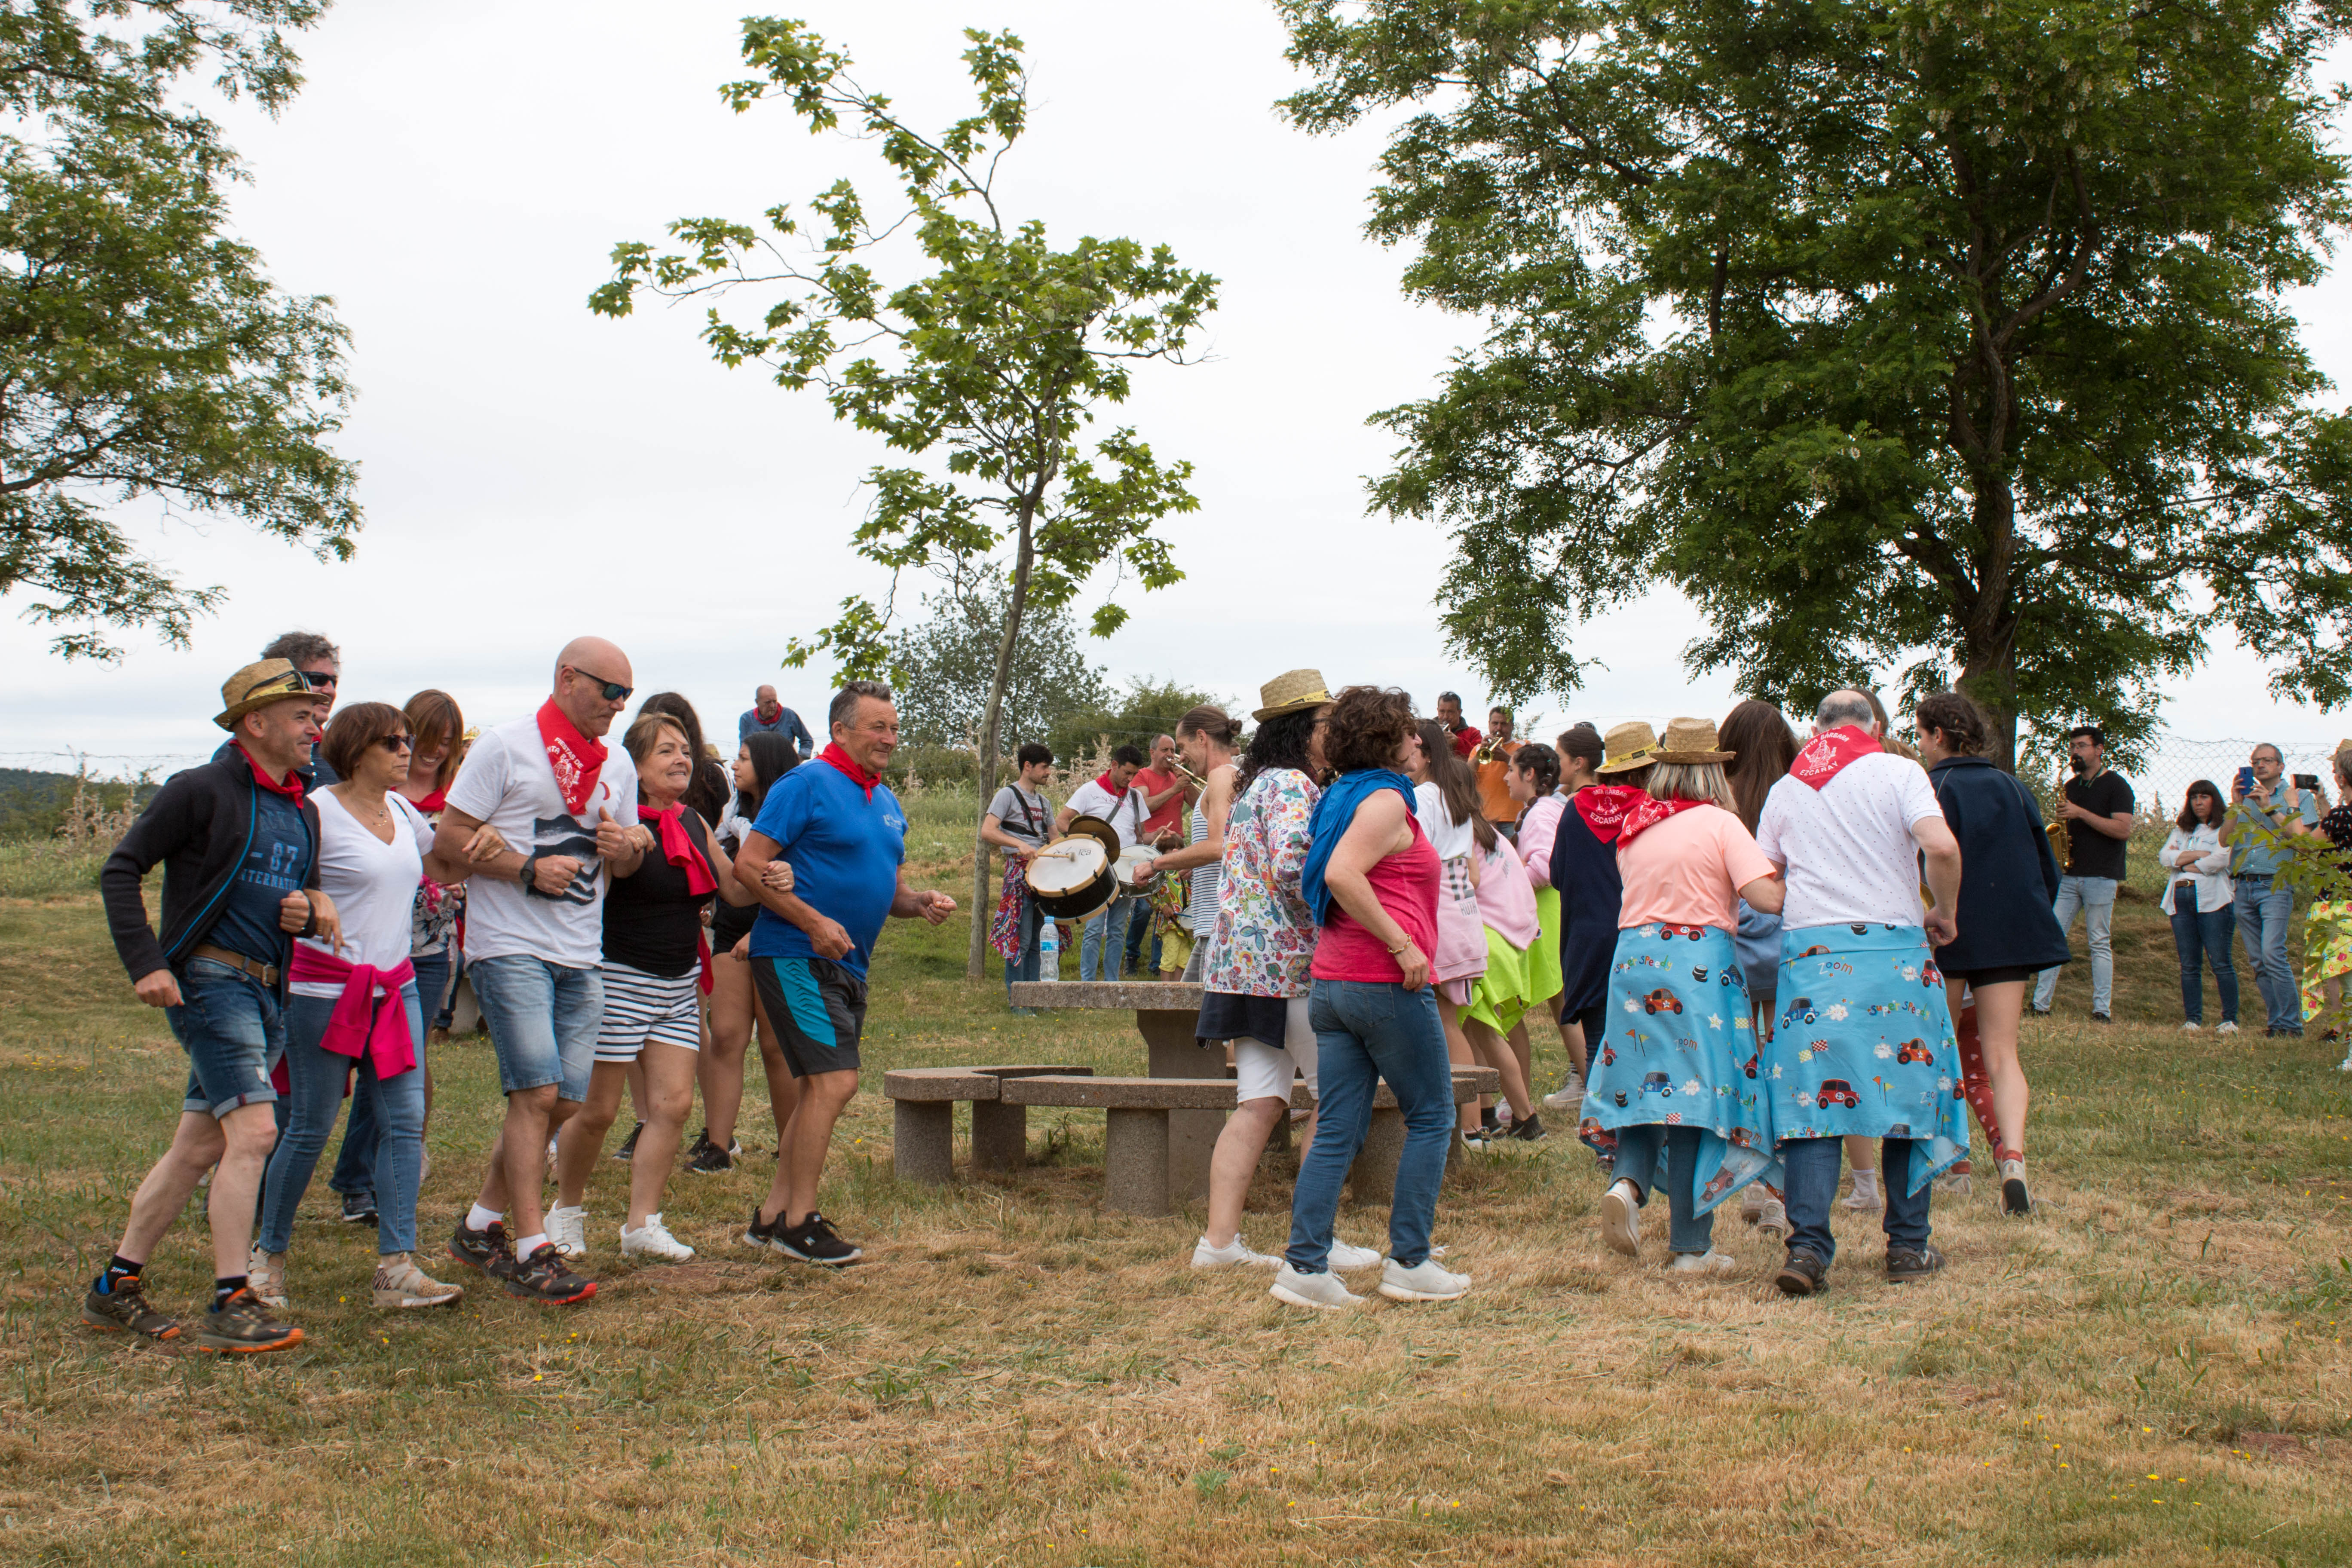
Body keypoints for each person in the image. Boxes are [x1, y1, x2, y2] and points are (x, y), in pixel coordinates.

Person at [88, 659, 337, 1351]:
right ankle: (234, 1300)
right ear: (255, 724)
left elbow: (306, 897)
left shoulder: (302, 807)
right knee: (255, 1135)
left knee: (196, 1148)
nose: (316, 727)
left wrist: (310, 908)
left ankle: (116, 1286)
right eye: (301, 716)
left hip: (267, 992)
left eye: (316, 716)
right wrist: (148, 964)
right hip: (209, 982)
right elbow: (121, 869)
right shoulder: (198, 790)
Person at [254, 702, 505, 1313]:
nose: (406, 751)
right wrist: (310, 898)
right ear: (356, 749)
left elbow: (441, 866)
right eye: (392, 741)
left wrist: (486, 843)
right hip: (324, 991)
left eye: (407, 740)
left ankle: (396, 1267)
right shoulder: (315, 812)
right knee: (310, 1126)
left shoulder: (400, 810)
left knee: (402, 1122)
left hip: (396, 991)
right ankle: (266, 1260)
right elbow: (282, 887)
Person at [437, 637, 649, 1306]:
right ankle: (532, 1248)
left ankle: (479, 1226)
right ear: (566, 678)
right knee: (534, 1094)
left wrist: (626, 849)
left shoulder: (615, 761)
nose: (618, 706)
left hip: (582, 949)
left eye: (627, 695)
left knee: (564, 1101)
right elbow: (447, 843)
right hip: (508, 945)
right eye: (608, 691)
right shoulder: (504, 746)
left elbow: (630, 859)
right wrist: (524, 868)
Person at [733, 680, 957, 1265]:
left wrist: (919, 901)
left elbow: (889, 892)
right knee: (835, 1083)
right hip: (795, 955)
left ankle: (770, 1217)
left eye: (894, 728)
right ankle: (799, 1224)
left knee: (817, 1089)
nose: (890, 738)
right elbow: (750, 865)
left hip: (849, 965)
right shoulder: (805, 784)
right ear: (839, 731)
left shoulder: (885, 801)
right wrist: (810, 922)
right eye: (878, 727)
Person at [1755, 689, 1970, 1296]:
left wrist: (1804, 908)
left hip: (1813, 961)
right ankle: (1907, 1245)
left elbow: (1764, 877)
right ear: (1874, 725)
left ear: (1816, 730)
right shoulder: (1900, 772)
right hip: (1894, 954)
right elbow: (1943, 846)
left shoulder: (1787, 787)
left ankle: (1808, 1250)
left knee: (1813, 1108)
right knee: (1910, 1095)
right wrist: (1944, 911)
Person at [1272, 686, 1471, 1310]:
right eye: (1410, 731)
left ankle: (1305, 1268)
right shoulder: (1385, 801)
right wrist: (1403, 945)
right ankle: (1410, 1261)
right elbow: (1339, 876)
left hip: (1333, 984)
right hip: (1382, 985)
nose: (1421, 740)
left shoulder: (1341, 797)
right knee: (1434, 1116)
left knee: (1336, 1126)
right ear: (1388, 740)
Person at [549, 711, 767, 1262]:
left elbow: (733, 892)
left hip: (679, 983)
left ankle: (641, 1225)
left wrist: (771, 878)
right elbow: (620, 866)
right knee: (596, 1111)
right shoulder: (614, 821)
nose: (682, 759)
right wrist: (627, 843)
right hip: (620, 978)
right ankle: (564, 1213)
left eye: (685, 750)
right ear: (635, 766)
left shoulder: (693, 822)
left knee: (672, 1107)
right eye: (666, 750)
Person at [1578, 718, 1782, 1278]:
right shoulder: (1720, 824)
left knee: (1648, 1087)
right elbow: (1763, 897)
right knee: (1694, 1105)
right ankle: (1692, 1248)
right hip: (1696, 970)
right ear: (1713, 771)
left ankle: (1628, 1182)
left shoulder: (1637, 828)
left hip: (1632, 964)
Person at [1182, 671, 1374, 1269]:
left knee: (1259, 1104)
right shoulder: (1293, 786)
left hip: (1240, 969)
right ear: (1302, 730)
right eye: (1325, 724)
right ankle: (1314, 1239)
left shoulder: (1257, 783)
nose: (1334, 734)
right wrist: (1350, 914)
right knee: (1336, 1102)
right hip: (1289, 969)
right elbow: (1296, 869)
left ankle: (1219, 1244)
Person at [1916, 691, 2072, 1217]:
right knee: (2003, 1056)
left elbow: (1919, 860)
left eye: (1920, 734)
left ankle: (1950, 1165)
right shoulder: (2013, 785)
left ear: (1938, 735)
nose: (1919, 745)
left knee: (1940, 1053)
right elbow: (2046, 866)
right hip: (2009, 933)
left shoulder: (1930, 788)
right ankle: (2014, 1162)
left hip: (1947, 934)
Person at [322, 686, 469, 1231]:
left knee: (397, 1079)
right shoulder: (333, 804)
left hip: (423, 955)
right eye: (405, 741)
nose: (419, 752)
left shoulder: (427, 801)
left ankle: (368, 1189)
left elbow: (447, 863)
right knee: (316, 1102)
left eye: (434, 743)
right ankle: (266, 1209)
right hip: (350, 961)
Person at [696, 731, 802, 1167]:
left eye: (743, 759)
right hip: (728, 931)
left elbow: (801, 883)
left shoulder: (791, 816)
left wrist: (760, 931)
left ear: (768, 764)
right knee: (725, 1037)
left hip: (777, 931)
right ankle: (717, 1146)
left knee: (777, 1046)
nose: (734, 767)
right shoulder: (731, 813)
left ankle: (791, 1146)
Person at [1718, 699, 1801, 1234]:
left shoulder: (1720, 803)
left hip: (1732, 947)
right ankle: (1778, 1190)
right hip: (1787, 945)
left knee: (1742, 1067)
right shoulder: (1798, 795)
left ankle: (1745, 1175)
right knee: (1784, 1067)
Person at [1543, 723, 1650, 1115]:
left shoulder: (1574, 808)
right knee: (1642, 1032)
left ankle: (1602, 1122)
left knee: (1598, 1039)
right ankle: (1640, 1117)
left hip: (1587, 935)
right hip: (1639, 931)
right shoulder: (1647, 808)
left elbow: (1557, 875)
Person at [1404, 720, 1491, 1139]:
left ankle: (1468, 1128)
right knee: (1455, 1024)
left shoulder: (1421, 796)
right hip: (1465, 919)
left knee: (1446, 1026)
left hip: (1440, 921)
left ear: (1423, 753)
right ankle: (1472, 1124)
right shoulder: (1452, 795)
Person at [2029, 725, 2136, 1023]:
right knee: (2054, 936)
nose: (2075, 752)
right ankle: (2040, 1005)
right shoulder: (2072, 786)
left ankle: (2102, 1009)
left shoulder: (2117, 786)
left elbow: (2123, 830)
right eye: (2073, 747)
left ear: (2099, 749)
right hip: (2071, 874)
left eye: (2082, 746)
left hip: (2102, 875)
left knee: (2098, 941)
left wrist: (2081, 814)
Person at [1139, 707, 1244, 983]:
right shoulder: (1224, 779)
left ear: (1202, 738)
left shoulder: (1221, 776)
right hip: (1213, 927)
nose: (1180, 756)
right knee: (1185, 1019)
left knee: (1190, 1021)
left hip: (1218, 927)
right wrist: (1195, 866)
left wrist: (1156, 863)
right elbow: (1232, 849)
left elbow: (1218, 845)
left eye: (1182, 746)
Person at [2226, 741, 2318, 1037]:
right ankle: (2276, 1022)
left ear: (2281, 766)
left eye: (2267, 761)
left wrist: (2269, 808)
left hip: (2275, 883)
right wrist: (2236, 803)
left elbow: (2301, 840)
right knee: (2257, 959)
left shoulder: (2298, 797)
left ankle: (2291, 1025)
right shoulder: (2245, 798)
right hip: (2243, 884)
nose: (2260, 766)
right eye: (2256, 762)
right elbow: (2224, 840)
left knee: (2273, 953)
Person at [1056, 744, 1151, 983]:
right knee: (1094, 930)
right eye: (1126, 773)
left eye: (1134, 775)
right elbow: (1062, 821)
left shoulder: (1135, 796)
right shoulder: (1090, 790)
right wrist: (1084, 846)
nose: (1130, 779)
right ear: (1114, 766)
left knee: (1118, 930)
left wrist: (1159, 836)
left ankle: (1112, 983)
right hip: (1096, 870)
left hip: (1125, 871)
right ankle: (1087, 983)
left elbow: (1142, 836)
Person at [1507, 741, 1567, 1119]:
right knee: (1561, 1004)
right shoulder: (1544, 810)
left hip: (1544, 912)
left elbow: (1544, 868)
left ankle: (1520, 1099)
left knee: (1558, 1003)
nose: (1505, 776)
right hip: (1549, 910)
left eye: (1511, 770)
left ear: (1530, 776)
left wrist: (1509, 882)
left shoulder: (1541, 814)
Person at [2159, 778, 2239, 1036]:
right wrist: (2198, 856)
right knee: (2189, 964)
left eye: (2204, 797)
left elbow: (2222, 859)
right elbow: (2165, 858)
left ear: (2214, 800)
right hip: (2180, 897)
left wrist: (2183, 863)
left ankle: (2229, 1020)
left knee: (2220, 961)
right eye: (2194, 797)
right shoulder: (2182, 830)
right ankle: (2193, 1019)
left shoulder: (2223, 828)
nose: (2198, 802)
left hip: (2214, 900)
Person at [982, 742, 1057, 1014]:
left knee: (1041, 940)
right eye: (1045, 767)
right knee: (1021, 940)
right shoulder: (1007, 795)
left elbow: (1055, 838)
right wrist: (1017, 844)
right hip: (1018, 873)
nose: (1049, 772)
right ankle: (1019, 1001)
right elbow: (988, 831)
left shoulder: (1045, 802)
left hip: (1044, 875)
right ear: (1028, 767)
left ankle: (1037, 998)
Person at [1124, 733, 1197, 977]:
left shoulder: (1178, 778)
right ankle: (1132, 955)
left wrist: (1186, 783)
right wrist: (1175, 788)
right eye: (1165, 750)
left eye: (1173, 750)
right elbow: (1143, 806)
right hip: (1150, 845)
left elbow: (1200, 806)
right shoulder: (1143, 776)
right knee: (1146, 908)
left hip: (1176, 847)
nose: (1170, 755)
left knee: (1176, 904)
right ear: (1153, 752)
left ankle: (1159, 964)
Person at [2299, 749, 2352, 1048]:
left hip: (2339, 903)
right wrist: (2322, 802)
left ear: (2341, 778)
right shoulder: (2341, 816)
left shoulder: (2342, 817)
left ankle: (2343, 1030)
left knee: (2339, 972)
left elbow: (2303, 844)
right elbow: (2339, 832)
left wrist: (2290, 808)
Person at [259, 631, 344, 788]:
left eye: (334, 682)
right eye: (318, 680)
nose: (330, 691)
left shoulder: (343, 754)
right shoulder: (242, 755)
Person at [1473, 707, 1523, 829]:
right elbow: (1466, 776)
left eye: (1504, 724)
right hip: (1484, 818)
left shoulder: (1523, 746)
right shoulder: (1477, 749)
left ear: (1512, 726)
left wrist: (1507, 759)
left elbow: (1529, 773)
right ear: (1489, 724)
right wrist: (1478, 755)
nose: (1499, 728)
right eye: (1495, 724)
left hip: (1512, 818)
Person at [739, 684, 815, 756]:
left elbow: (807, 741)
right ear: (757, 702)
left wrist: (799, 759)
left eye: (775, 701)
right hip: (759, 766)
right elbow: (744, 749)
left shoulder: (789, 716)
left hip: (785, 766)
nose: (772, 706)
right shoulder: (747, 720)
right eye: (768, 703)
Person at [1435, 691, 1482, 759]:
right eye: (1442, 711)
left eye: (1451, 712)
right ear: (1438, 711)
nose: (1445, 716)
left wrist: (1459, 743)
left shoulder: (1473, 733)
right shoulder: (1427, 729)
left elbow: (1478, 757)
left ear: (1460, 712)